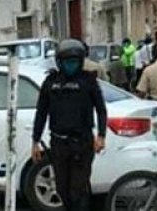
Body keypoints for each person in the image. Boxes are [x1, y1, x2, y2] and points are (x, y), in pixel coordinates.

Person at [32, 39, 107, 211]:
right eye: (67, 62)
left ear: (81, 62)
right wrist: (35, 141)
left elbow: (101, 110)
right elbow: (41, 112)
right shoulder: (51, 82)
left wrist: (101, 136)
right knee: (62, 190)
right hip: (59, 144)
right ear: (59, 62)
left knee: (77, 190)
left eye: (74, 62)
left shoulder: (88, 82)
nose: (70, 66)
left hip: (82, 143)